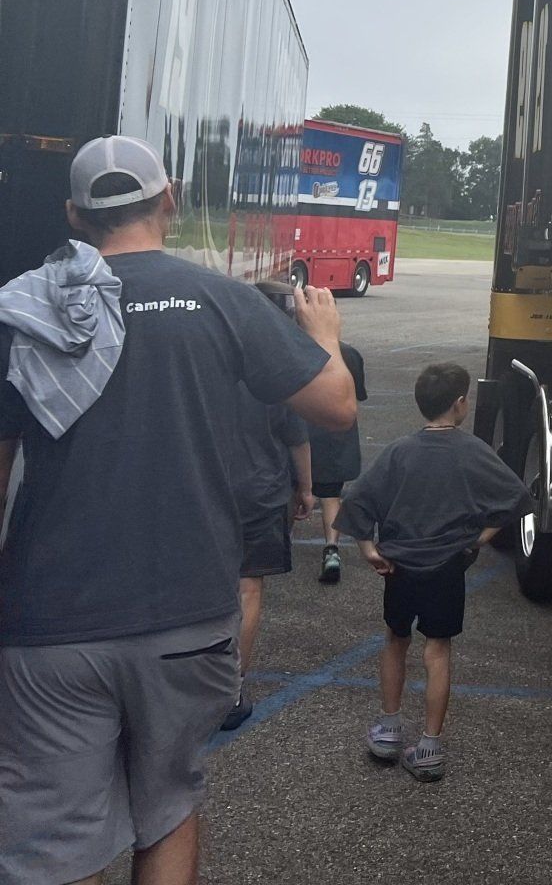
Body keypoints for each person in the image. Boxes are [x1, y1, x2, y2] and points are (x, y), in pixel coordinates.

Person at [0, 136, 356, 885]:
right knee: (166, 807)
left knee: (54, 843)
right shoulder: (218, 298)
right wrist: (322, 336)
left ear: (73, 214)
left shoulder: (23, 311)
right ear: (172, 198)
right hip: (186, 611)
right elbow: (334, 409)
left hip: (50, 620)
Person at [335, 362, 529, 782]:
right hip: (447, 566)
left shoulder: (400, 451)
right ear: (460, 404)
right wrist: (479, 538)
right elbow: (515, 496)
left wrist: (369, 549)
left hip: (399, 567)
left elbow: (358, 502)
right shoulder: (473, 451)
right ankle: (429, 747)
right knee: (437, 651)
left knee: (395, 639)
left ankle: (388, 730)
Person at [219, 392, 315, 730]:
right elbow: (297, 438)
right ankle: (232, 690)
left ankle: (194, 680)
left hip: (210, 490)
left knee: (203, 586)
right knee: (249, 590)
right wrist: (306, 489)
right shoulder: (270, 372)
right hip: (261, 493)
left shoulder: (205, 362)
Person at [310, 342, 368, 583]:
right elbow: (358, 395)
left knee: (295, 492)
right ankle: (331, 549)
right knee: (330, 495)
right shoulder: (350, 353)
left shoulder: (293, 347)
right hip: (336, 434)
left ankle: (280, 543)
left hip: (302, 430)